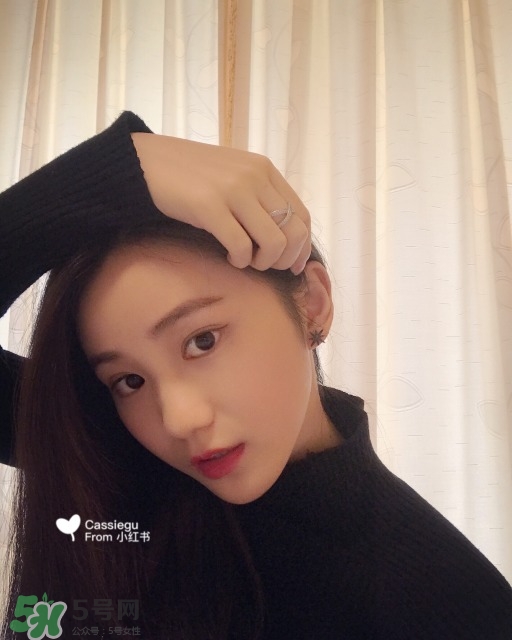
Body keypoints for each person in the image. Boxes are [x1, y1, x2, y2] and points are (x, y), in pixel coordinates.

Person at [0, 113, 511, 640]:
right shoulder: (121, 461)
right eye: (129, 380)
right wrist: (114, 170)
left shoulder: (450, 602)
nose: (178, 420)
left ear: (312, 304)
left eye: (202, 341)